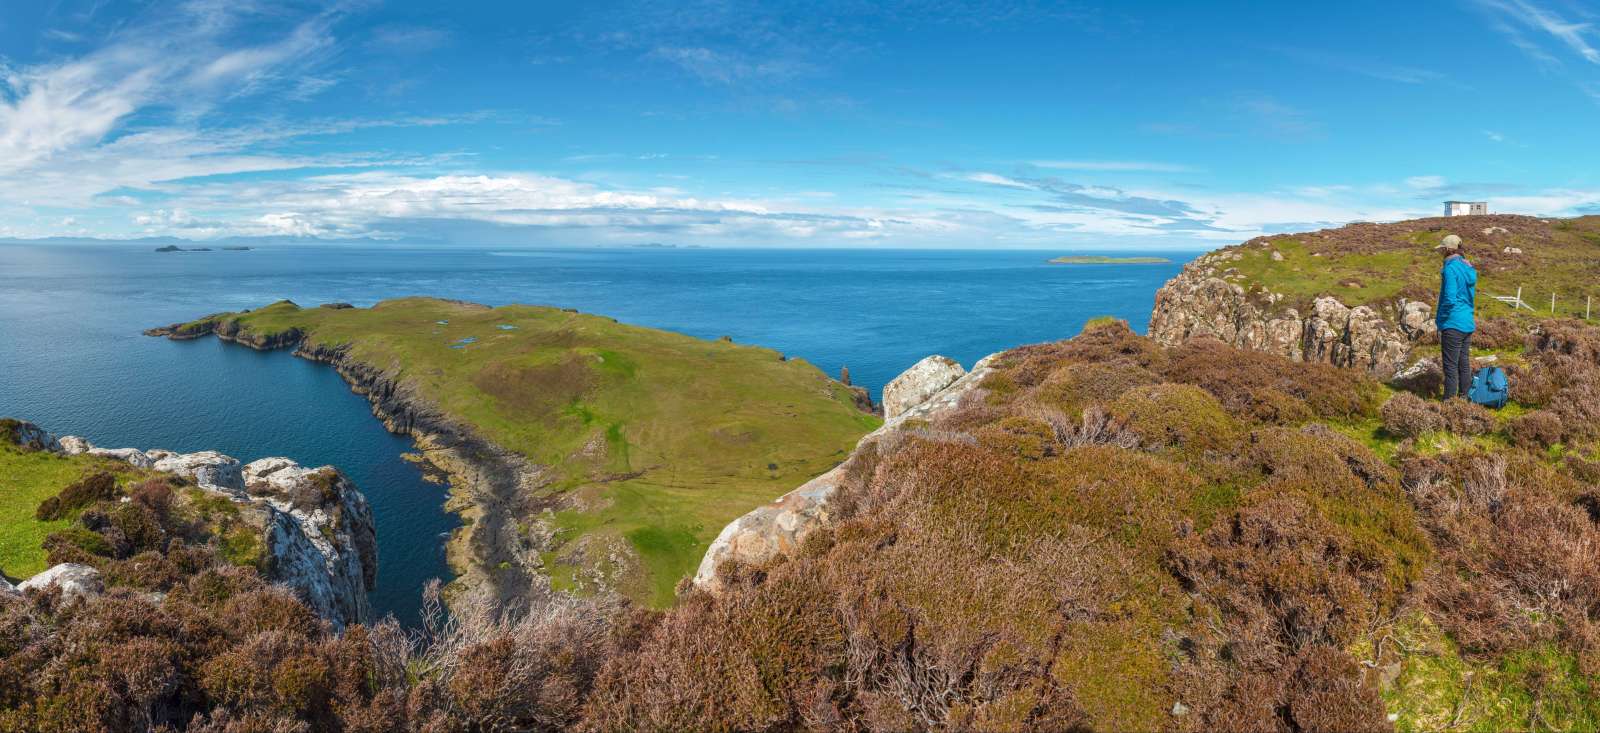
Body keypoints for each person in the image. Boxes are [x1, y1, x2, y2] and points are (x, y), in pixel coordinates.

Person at [1435, 234, 1477, 400]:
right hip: (1467, 322)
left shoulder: (1450, 268)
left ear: (1447, 249)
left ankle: (1449, 401)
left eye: (1442, 249)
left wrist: (1441, 322)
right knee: (1463, 363)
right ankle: (1464, 396)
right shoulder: (1468, 267)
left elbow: (1449, 298)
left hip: (1452, 323)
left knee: (1450, 366)